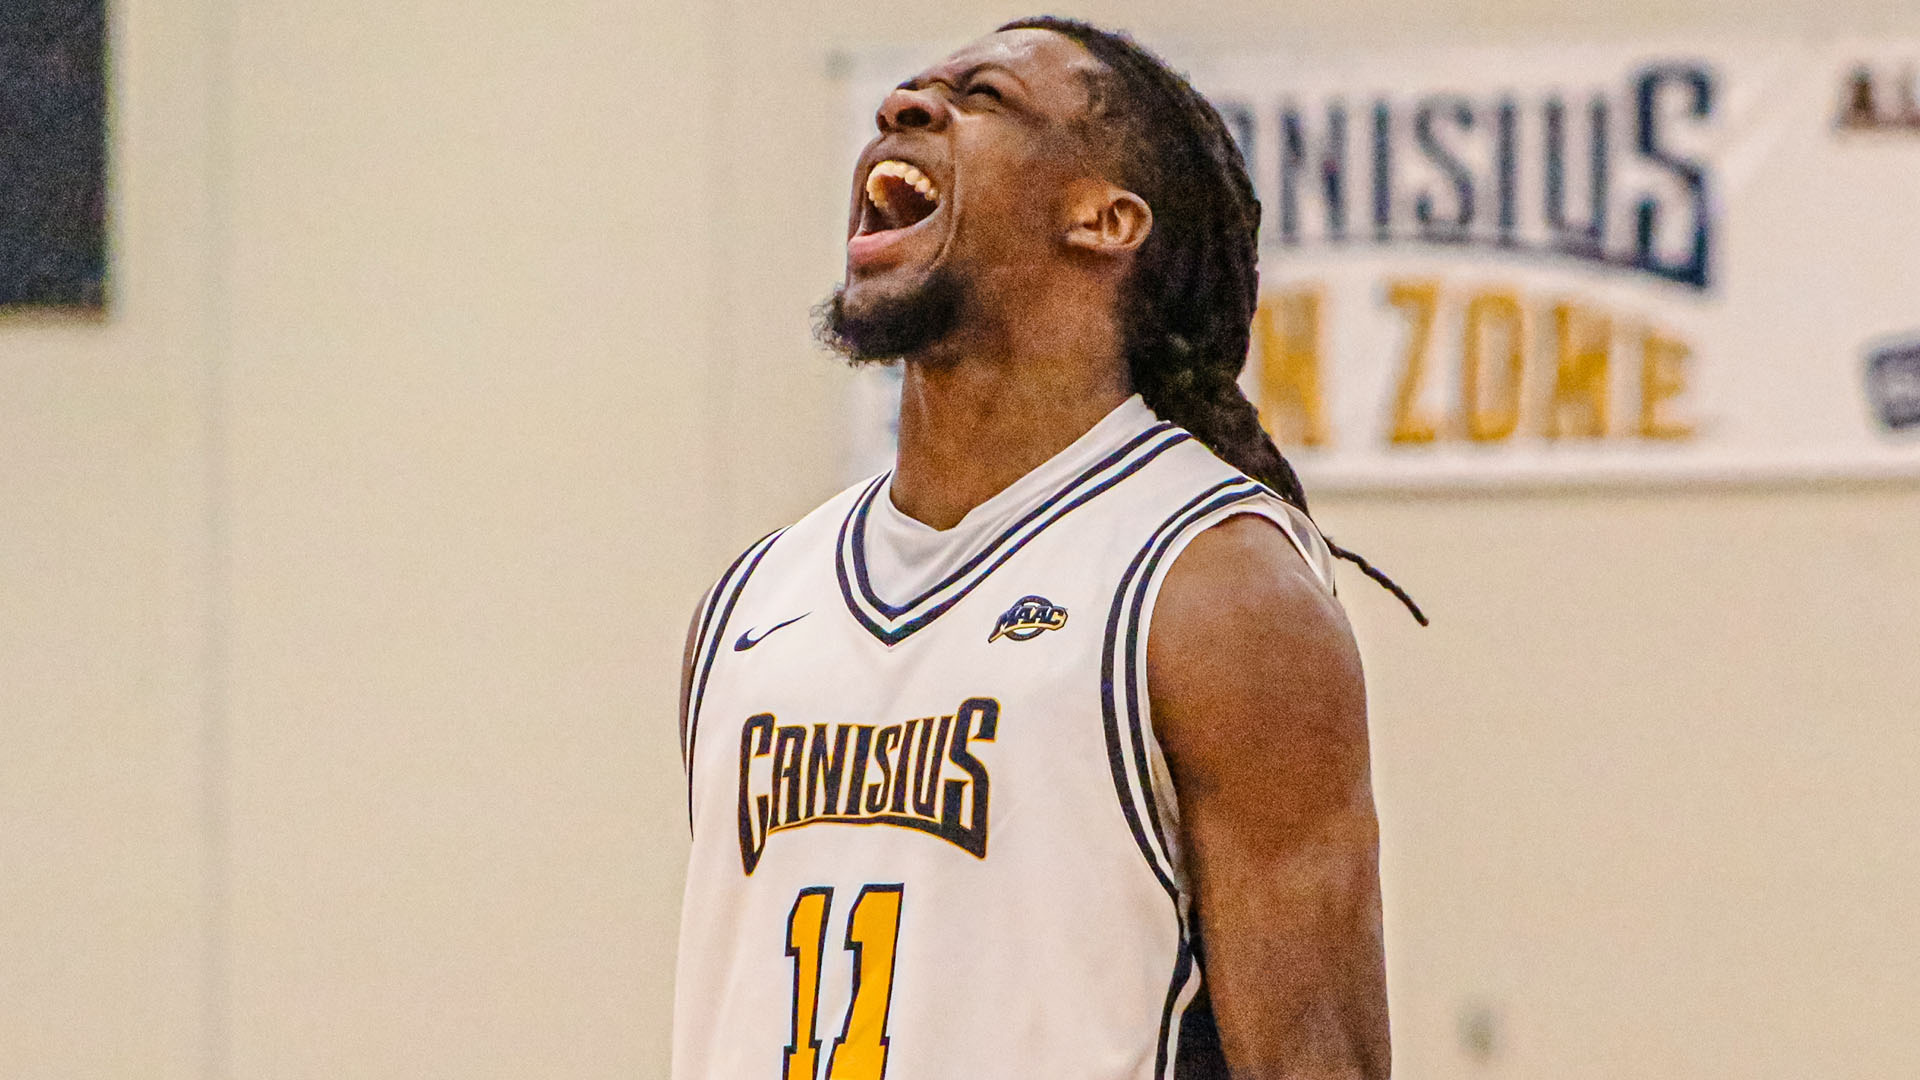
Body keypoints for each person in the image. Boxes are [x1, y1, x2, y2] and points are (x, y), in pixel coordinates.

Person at [673, 17, 1407, 1079]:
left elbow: (1315, 1060)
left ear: (1105, 220)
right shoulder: (750, 603)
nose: (905, 108)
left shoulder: (1213, 586)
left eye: (984, 99)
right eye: (912, 89)